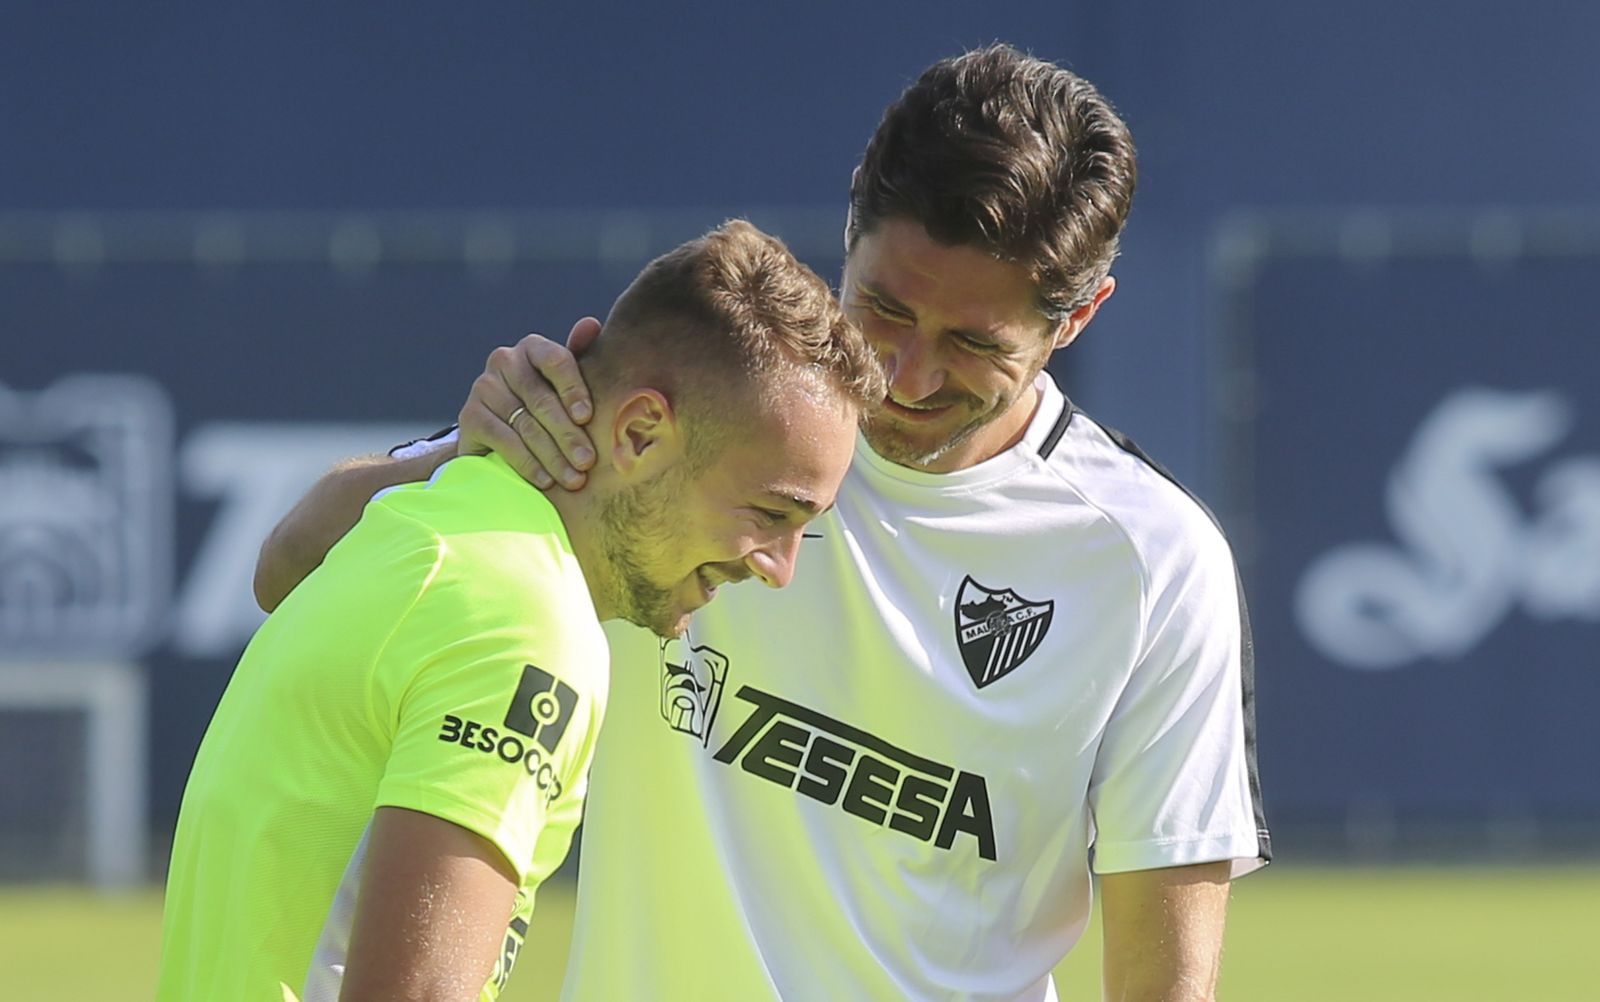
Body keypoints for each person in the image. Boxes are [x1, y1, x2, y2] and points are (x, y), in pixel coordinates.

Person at [256, 44, 1270, 1002]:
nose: (907, 375)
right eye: (885, 309)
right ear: (850, 227)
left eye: (973, 344)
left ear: (1078, 317)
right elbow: (293, 565)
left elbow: (1164, 983)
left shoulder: (1152, 562)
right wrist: (468, 457)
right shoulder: (691, 420)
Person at [156, 220, 882, 1002]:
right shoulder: (528, 623)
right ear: (640, 433)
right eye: (772, 513)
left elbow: (281, 566)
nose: (780, 568)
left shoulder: (423, 518)